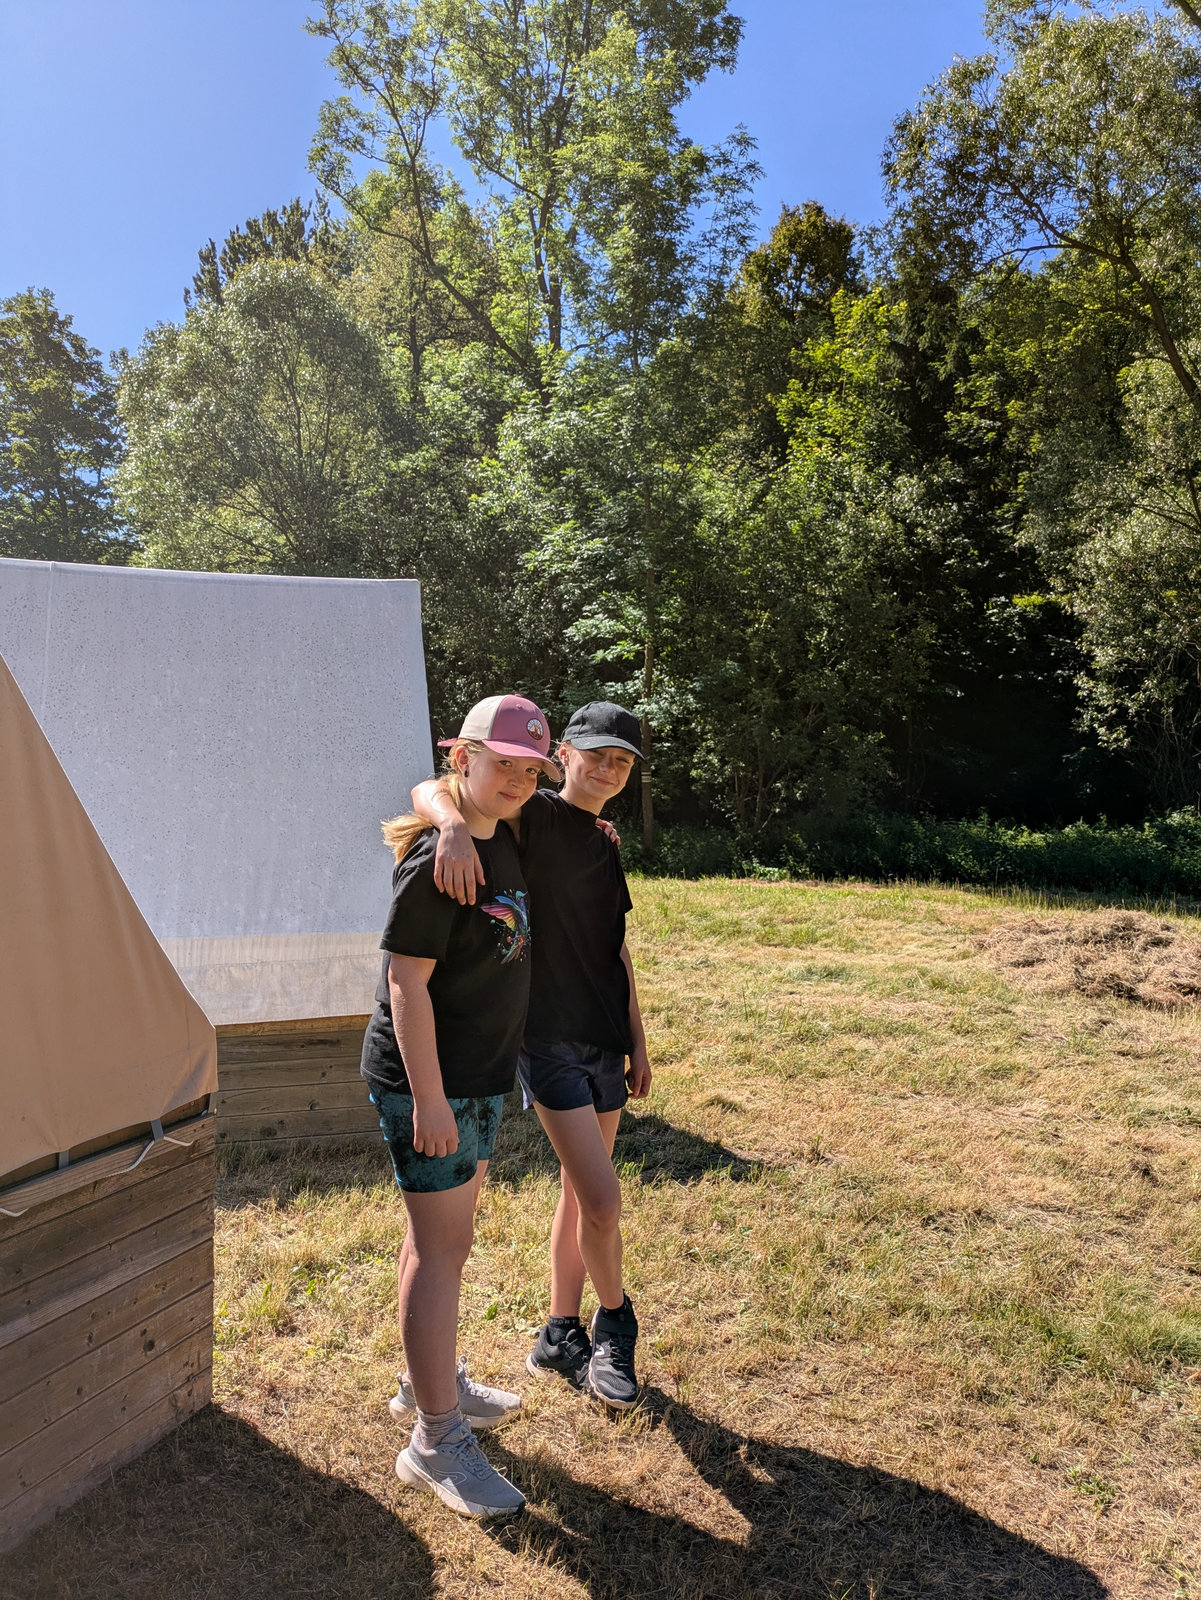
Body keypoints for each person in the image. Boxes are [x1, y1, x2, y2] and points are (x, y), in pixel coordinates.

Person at [412, 700, 651, 1410]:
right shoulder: (534, 813)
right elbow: (432, 788)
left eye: (622, 761)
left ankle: (558, 1333)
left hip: (605, 1038)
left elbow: (615, 950)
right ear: (563, 756)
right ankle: (616, 1325)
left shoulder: (604, 842)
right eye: (596, 755)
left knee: (581, 1193)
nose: (608, 769)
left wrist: (638, 1040)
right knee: (603, 1199)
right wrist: (452, 827)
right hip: (546, 1039)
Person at [360, 693, 559, 1518]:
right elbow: (405, 985)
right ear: (462, 757)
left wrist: (449, 815)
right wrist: (430, 1100)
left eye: (529, 770)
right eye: (500, 763)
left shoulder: (500, 829)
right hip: (431, 1083)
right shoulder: (435, 863)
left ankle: (427, 1384)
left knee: (440, 1241)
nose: (516, 780)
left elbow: (430, 791)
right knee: (442, 1250)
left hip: (476, 1076)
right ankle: (436, 1442)